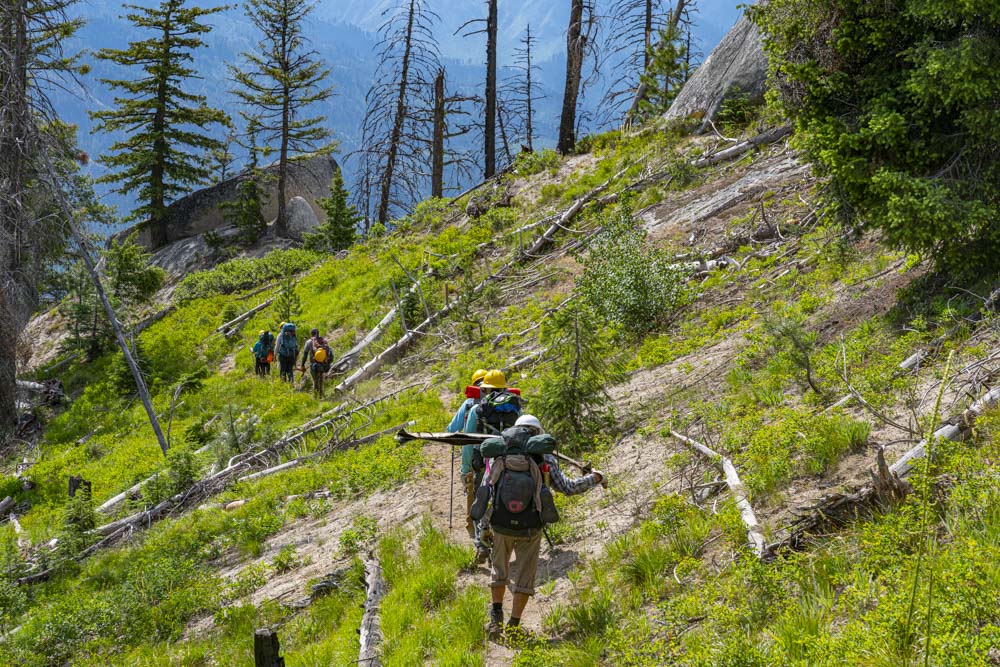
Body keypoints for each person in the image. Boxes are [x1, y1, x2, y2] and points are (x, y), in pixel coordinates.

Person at [478, 414, 605, 638]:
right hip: (531, 526)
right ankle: (514, 627)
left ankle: (495, 618)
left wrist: (483, 528)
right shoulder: (543, 458)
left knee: (499, 570)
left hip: (500, 524)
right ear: (537, 433)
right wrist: (595, 478)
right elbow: (568, 488)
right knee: (525, 576)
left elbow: (487, 492)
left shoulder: (500, 455)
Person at [462, 369, 522, 560]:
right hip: (513, 458)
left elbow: (468, 442)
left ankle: (481, 544)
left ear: (485, 389)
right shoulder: (515, 406)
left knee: (481, 497)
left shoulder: (477, 410)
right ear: (505, 388)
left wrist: (466, 469)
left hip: (487, 461)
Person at [448, 369, 487, 540]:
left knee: (472, 489)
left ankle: (472, 526)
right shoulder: (504, 403)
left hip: (476, 456)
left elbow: (452, 429)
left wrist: (465, 469)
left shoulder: (470, 404)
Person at [299, 328, 332, 398]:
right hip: (323, 363)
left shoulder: (309, 342)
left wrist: (302, 365)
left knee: (315, 380)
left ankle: (315, 396)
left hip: (313, 364)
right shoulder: (324, 341)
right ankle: (321, 395)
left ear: (311, 334)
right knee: (321, 379)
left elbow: (305, 354)